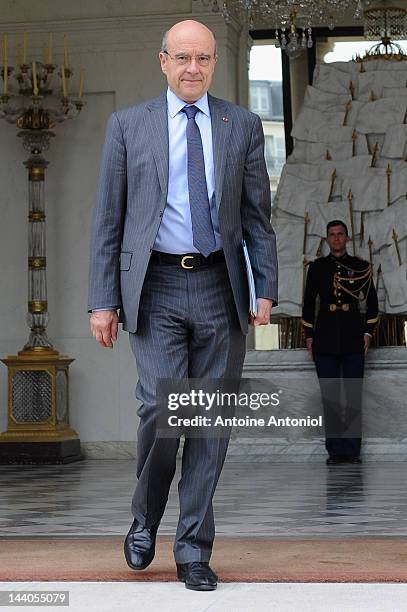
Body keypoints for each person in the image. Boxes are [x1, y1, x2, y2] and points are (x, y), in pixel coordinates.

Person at [88, 20, 278, 591]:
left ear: (214, 64)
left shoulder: (241, 124)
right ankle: (144, 519)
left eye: (204, 59)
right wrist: (103, 301)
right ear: (163, 61)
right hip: (156, 287)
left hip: (221, 286)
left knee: (210, 423)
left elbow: (256, 216)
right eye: (183, 58)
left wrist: (264, 287)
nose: (193, 68)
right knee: (160, 409)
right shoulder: (128, 126)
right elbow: (108, 220)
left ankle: (193, 547)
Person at [302, 220, 378, 465]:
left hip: (353, 338)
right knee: (331, 396)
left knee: (353, 395)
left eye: (340, 234)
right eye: (332, 234)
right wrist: (310, 336)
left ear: (347, 238)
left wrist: (367, 334)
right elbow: (308, 303)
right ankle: (335, 451)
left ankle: (352, 451)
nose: (336, 238)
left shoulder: (360, 267)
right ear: (326, 239)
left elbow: (373, 304)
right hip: (324, 340)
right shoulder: (317, 268)